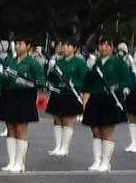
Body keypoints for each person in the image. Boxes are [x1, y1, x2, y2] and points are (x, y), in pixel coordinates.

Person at [0, 35, 44, 173]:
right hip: (9, 96)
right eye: (16, 44)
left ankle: (20, 163)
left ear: (28, 46)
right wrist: (2, 74)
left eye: (20, 44)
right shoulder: (10, 61)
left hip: (25, 97)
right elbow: (5, 81)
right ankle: (11, 161)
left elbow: (40, 82)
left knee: (21, 129)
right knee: (10, 128)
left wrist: (26, 82)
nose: (17, 46)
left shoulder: (33, 63)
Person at [80, 36, 132, 173]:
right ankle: (97, 160)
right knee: (95, 130)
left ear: (112, 47)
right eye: (101, 45)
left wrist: (118, 87)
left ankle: (105, 161)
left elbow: (126, 80)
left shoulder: (119, 62)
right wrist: (90, 69)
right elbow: (87, 83)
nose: (103, 48)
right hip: (96, 99)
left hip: (112, 99)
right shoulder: (95, 62)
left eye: (107, 45)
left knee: (106, 131)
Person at [45, 38, 86, 157]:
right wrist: (50, 69)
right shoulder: (58, 61)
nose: (66, 48)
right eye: (64, 45)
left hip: (71, 94)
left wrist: (77, 86)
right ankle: (57, 146)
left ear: (75, 49)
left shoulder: (79, 62)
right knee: (57, 119)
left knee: (68, 120)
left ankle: (65, 147)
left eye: (69, 46)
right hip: (58, 93)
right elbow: (51, 79)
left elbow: (84, 79)